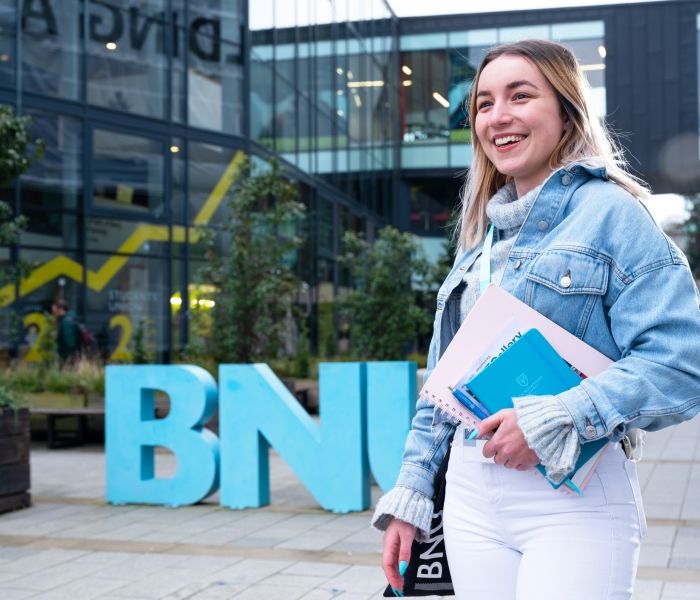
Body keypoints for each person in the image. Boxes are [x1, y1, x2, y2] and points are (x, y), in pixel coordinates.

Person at [372, 39, 700, 600]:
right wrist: (412, 493)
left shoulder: (614, 215)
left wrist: (559, 415)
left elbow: (681, 361)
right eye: (483, 103)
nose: (498, 116)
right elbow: (441, 386)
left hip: (571, 498)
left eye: (520, 96)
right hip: (472, 493)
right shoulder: (479, 238)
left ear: (567, 110)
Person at [52, 299, 82, 364]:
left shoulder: (66, 322)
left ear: (60, 309)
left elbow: (69, 342)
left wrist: (67, 357)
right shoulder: (69, 318)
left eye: (55, 311)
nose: (54, 313)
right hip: (71, 356)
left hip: (68, 358)